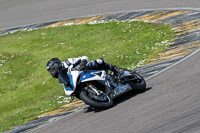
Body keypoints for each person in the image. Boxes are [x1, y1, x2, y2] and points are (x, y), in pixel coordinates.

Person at [46, 56, 124, 95]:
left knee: (97, 62)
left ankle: (116, 69)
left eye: (53, 70)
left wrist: (82, 63)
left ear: (56, 65)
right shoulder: (60, 79)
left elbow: (84, 57)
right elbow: (67, 85)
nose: (52, 72)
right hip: (80, 80)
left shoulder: (67, 62)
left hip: (85, 69)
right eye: (51, 71)